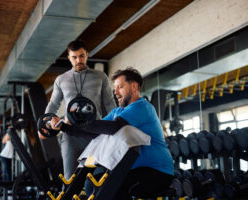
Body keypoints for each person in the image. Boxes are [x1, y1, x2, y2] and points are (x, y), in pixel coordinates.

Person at [49, 67, 174, 199]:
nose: (116, 92)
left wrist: (78, 120)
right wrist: (64, 127)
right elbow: (96, 133)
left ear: (134, 86)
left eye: (120, 87)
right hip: (132, 170)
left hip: (157, 172)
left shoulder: (143, 107)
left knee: (114, 188)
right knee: (91, 184)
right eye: (115, 88)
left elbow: (115, 127)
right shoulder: (116, 112)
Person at [38, 40, 116, 180]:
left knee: (98, 180)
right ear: (69, 57)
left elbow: (110, 103)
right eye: (74, 57)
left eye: (81, 56)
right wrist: (45, 123)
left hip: (96, 134)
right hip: (70, 134)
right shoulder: (61, 79)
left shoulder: (100, 77)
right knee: (70, 179)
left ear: (87, 54)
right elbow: (53, 104)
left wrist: (116, 125)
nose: (78, 60)